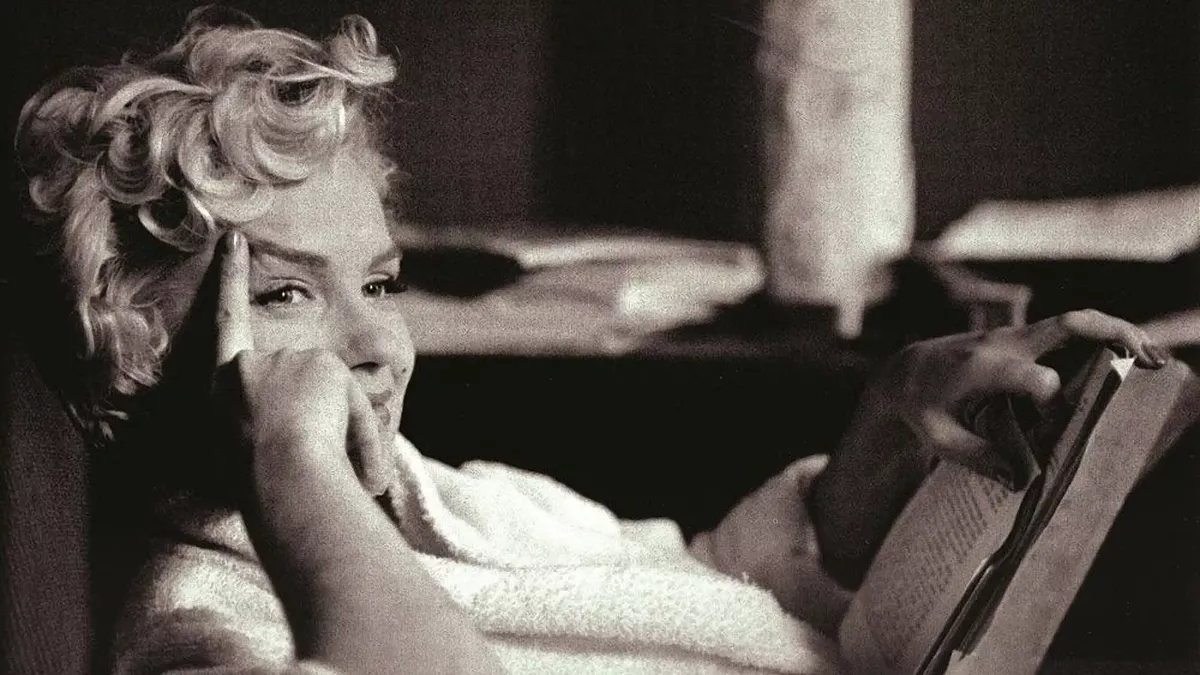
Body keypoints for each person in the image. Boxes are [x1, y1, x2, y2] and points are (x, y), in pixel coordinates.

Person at [13, 8, 1170, 675]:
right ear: (131, 342)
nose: (375, 343)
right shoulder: (194, 625)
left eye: (379, 281)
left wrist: (888, 418)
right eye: (282, 296)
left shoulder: (446, 497)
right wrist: (293, 464)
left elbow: (705, 583)